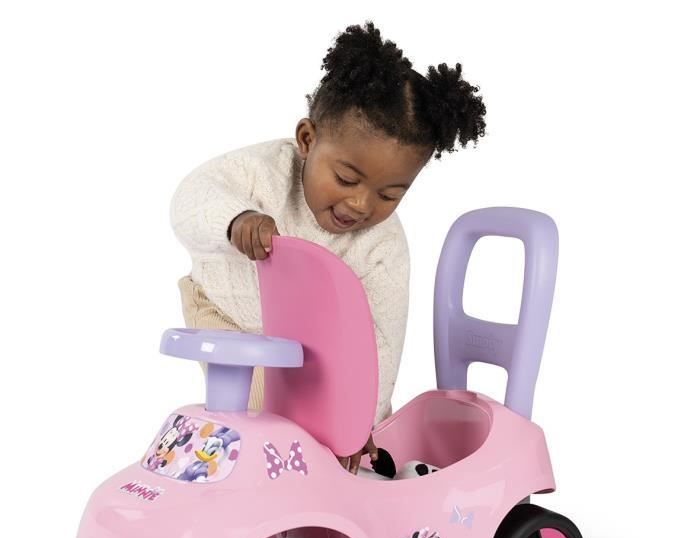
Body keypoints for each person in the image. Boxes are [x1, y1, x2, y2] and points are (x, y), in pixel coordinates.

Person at [170, 21, 486, 475]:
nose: (361, 205)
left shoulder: (382, 245)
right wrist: (236, 220)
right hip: (226, 310)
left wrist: (360, 423)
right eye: (346, 178)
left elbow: (380, 340)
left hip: (313, 346)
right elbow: (191, 198)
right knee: (268, 421)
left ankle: (367, 475)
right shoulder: (260, 173)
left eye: (389, 194)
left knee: (349, 425)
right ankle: (257, 483)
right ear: (307, 139)